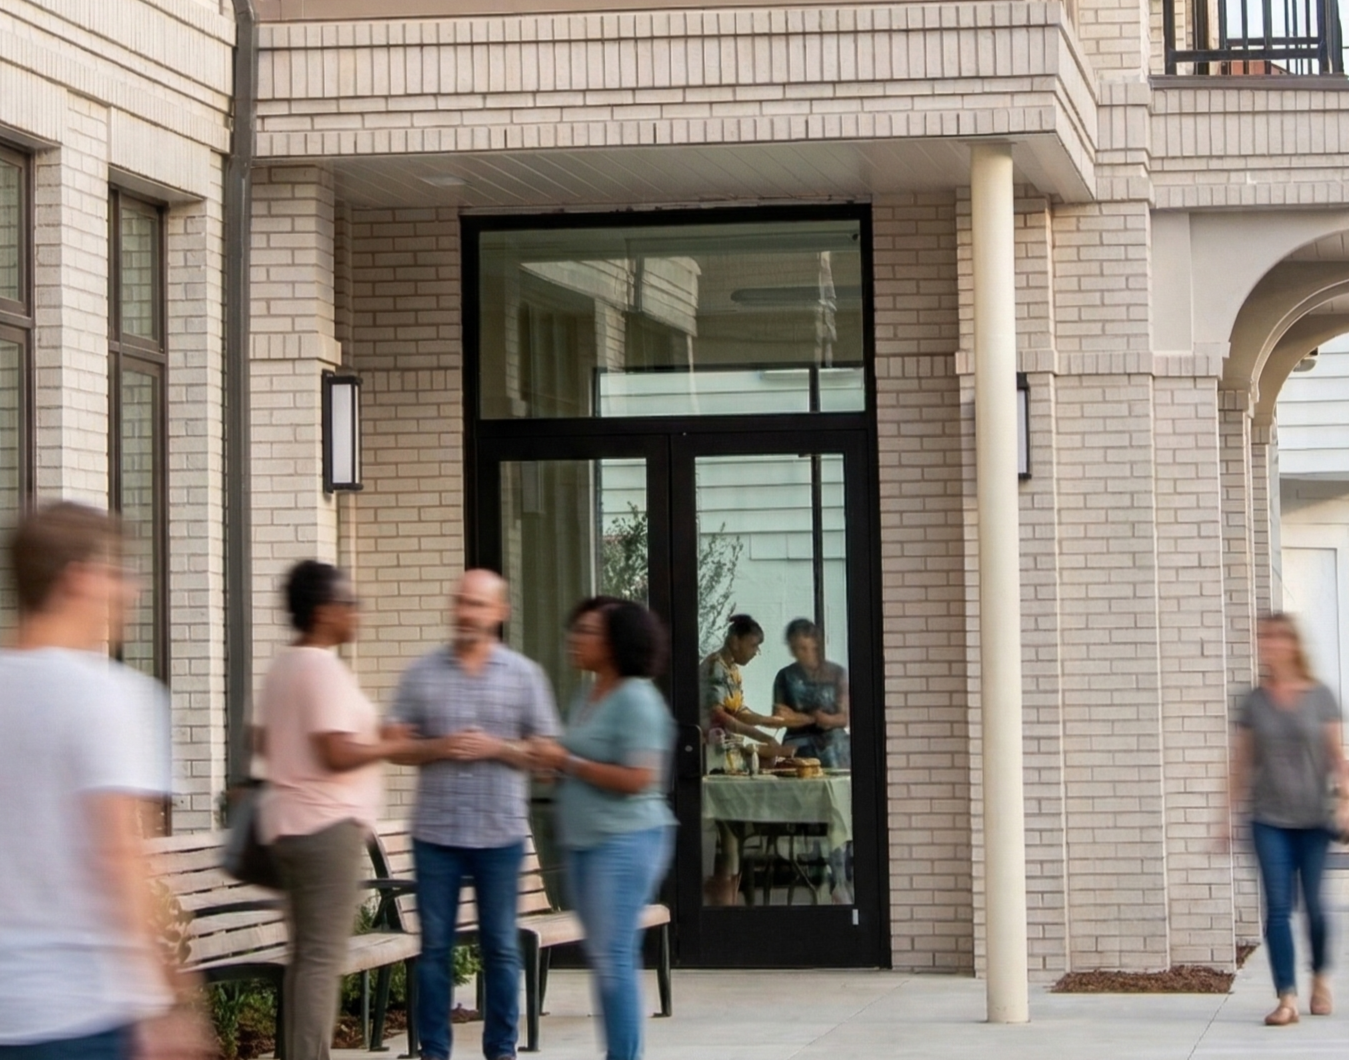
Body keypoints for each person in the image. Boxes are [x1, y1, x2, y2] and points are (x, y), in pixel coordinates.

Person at [0, 502, 211, 1060]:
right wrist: (171, 1001)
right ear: (79, 579)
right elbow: (121, 856)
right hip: (83, 1010)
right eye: (118, 571)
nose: (132, 589)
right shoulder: (112, 697)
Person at [389, 569, 562, 1060]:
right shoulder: (422, 673)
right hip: (435, 834)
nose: (467, 612)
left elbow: (548, 754)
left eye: (478, 604)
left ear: (500, 612)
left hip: (499, 835)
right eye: (462, 602)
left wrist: (498, 747)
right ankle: (435, 1052)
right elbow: (393, 745)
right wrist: (440, 746)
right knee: (435, 950)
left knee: (502, 948)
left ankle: (501, 1050)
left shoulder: (524, 675)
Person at [254, 560, 417, 1060]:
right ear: (325, 611)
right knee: (321, 959)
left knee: (307, 957)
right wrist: (384, 743)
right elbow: (334, 751)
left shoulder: (286, 665)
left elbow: (257, 739)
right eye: (349, 602)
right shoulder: (320, 667)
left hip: (291, 825)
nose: (356, 612)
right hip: (325, 828)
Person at [533, 597, 677, 1060]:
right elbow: (578, 759)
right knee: (604, 960)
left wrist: (567, 762)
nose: (576, 639)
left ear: (616, 643)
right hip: (584, 843)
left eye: (588, 632)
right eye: (575, 630)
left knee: (613, 960)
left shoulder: (637, 698)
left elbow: (641, 778)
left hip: (626, 841)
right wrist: (553, 766)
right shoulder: (588, 694)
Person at [1227, 612, 1349, 1026]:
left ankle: (1319, 979)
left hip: (1314, 818)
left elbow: (1337, 758)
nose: (1271, 644)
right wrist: (1225, 814)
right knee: (1278, 907)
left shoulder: (1320, 696)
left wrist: (1346, 802)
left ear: (1294, 644)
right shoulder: (1253, 700)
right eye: (1265, 638)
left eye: (1279, 637)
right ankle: (1287, 998)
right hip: (1268, 819)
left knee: (1314, 906)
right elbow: (1241, 763)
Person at [772, 618, 850, 770]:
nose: (797, 654)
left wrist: (825, 719)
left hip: (834, 747)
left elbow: (845, 717)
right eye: (793, 648)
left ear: (815, 643)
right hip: (798, 744)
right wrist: (815, 718)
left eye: (802, 648)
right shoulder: (785, 676)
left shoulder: (836, 673)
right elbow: (779, 717)